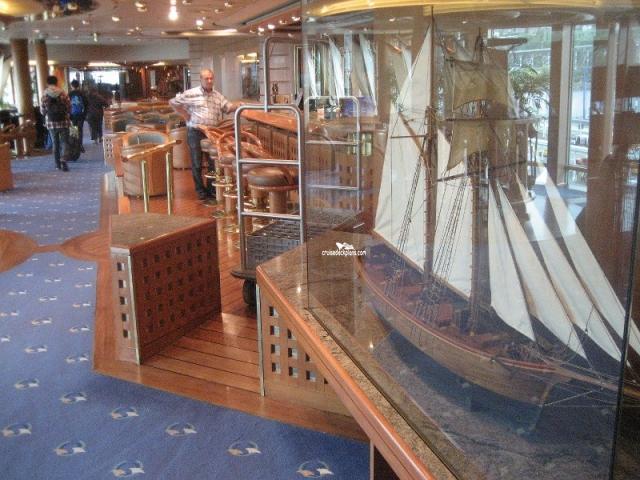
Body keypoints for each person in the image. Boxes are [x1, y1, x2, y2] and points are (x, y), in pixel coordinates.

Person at [169, 69, 240, 201]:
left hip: (212, 133)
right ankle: (200, 191)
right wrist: (184, 114)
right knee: (197, 163)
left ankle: (211, 190)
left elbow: (228, 107)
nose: (209, 81)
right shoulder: (191, 93)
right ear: (201, 79)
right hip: (195, 131)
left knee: (213, 162)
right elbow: (173, 102)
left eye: (211, 78)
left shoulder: (217, 95)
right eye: (206, 78)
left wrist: (240, 105)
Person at [40, 75, 71, 171]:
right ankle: (63, 159)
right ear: (57, 82)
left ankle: (57, 164)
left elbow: (42, 111)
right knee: (65, 142)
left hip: (51, 123)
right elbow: (69, 107)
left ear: (47, 83)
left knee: (55, 143)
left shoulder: (45, 94)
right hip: (64, 121)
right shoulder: (63, 93)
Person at [68, 79, 88, 152]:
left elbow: (67, 105)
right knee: (80, 130)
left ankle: (74, 145)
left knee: (74, 130)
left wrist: (68, 114)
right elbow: (86, 104)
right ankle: (80, 145)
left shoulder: (69, 94)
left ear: (71, 86)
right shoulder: (82, 94)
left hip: (72, 115)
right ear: (78, 85)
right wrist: (84, 114)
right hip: (81, 115)